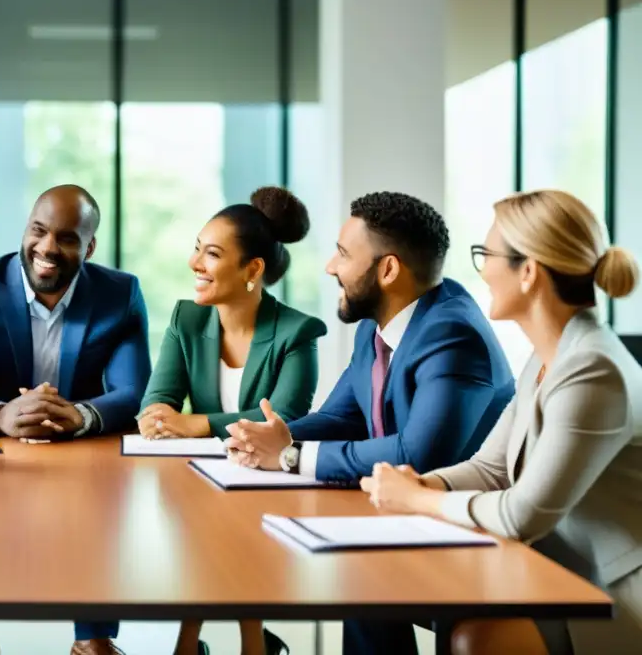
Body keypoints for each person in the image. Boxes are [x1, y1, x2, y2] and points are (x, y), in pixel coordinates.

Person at [224, 191, 515, 655]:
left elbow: (418, 454)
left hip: (472, 538)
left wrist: (290, 456)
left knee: (358, 572)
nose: (329, 267)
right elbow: (343, 416)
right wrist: (268, 438)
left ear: (388, 270)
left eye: (342, 254)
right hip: (406, 519)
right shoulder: (376, 325)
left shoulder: (452, 333)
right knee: (358, 575)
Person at [361, 189, 642, 655]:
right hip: (552, 570)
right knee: (403, 594)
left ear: (528, 271)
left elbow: (520, 515)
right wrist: (421, 484)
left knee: (476, 636)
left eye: (485, 254)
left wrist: (416, 500)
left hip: (610, 594)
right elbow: (491, 469)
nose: (482, 270)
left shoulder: (595, 371)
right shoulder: (549, 356)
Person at [0, 184, 151, 655]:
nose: (48, 247)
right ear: (26, 230)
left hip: (82, 447)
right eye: (38, 230)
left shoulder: (120, 294)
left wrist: (82, 415)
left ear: (89, 247)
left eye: (68, 238)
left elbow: (135, 392)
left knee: (103, 494)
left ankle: (93, 639)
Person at [139, 186, 326, 655]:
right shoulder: (186, 320)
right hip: (196, 479)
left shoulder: (297, 332)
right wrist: (160, 417)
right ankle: (201, 641)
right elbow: (157, 403)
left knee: (236, 522)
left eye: (212, 253)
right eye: (196, 249)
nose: (195, 263)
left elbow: (283, 421)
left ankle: (247, 642)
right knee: (196, 518)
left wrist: (195, 423)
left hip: (267, 481)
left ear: (253, 269)